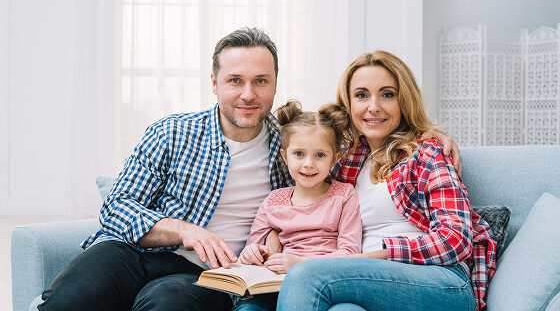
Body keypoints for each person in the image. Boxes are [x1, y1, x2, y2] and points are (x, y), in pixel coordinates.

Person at [38, 27, 461, 311]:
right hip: (135, 251)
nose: (248, 94)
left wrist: (432, 137)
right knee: (74, 295)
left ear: (276, 84)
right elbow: (115, 209)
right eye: (235, 80)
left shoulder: (293, 147)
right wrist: (185, 230)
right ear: (214, 82)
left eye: (261, 81)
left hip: (209, 273)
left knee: (165, 303)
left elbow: (347, 138)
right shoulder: (172, 132)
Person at [276, 51, 497, 311]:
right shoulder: (347, 162)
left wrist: (372, 257)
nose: (373, 107)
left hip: (441, 282)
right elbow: (302, 199)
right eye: (361, 95)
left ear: (404, 100)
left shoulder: (426, 153)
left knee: (306, 275)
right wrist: (270, 234)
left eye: (387, 94)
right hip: (366, 280)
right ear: (348, 104)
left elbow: (455, 240)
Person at [235, 100, 362, 310]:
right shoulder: (273, 201)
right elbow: (252, 248)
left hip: (326, 282)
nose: (308, 163)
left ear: (334, 159)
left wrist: (300, 263)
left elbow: (350, 252)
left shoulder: (343, 195)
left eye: (320, 155)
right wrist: (253, 253)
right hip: (275, 285)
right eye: (299, 154)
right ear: (285, 156)